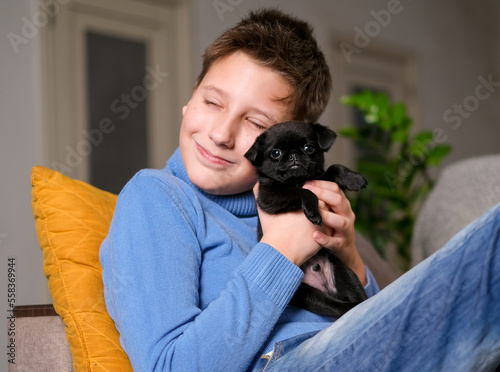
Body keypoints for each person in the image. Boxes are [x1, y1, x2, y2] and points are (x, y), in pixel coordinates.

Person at [100, 8, 500, 372]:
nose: (221, 134)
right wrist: (281, 251)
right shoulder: (157, 196)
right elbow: (169, 367)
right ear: (189, 100)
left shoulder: (306, 197)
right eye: (211, 102)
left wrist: (351, 260)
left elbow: (365, 319)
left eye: (256, 124)